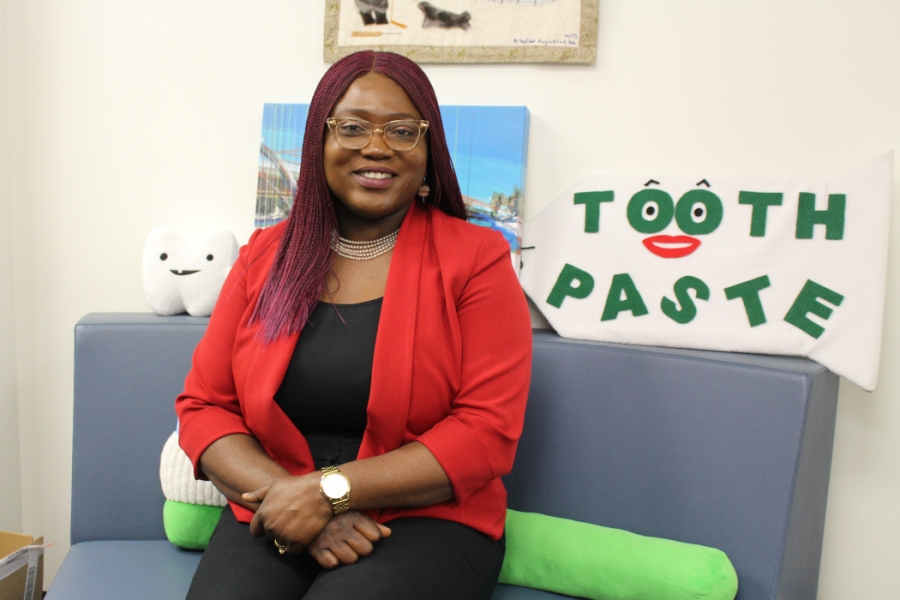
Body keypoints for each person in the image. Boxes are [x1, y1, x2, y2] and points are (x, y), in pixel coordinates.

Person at [176, 50, 532, 599]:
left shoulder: (476, 258)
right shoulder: (264, 256)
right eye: (352, 127)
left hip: (427, 516)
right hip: (276, 501)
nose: (377, 147)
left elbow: (486, 430)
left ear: (428, 150)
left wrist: (328, 493)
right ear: (319, 140)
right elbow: (205, 407)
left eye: (402, 131)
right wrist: (294, 500)